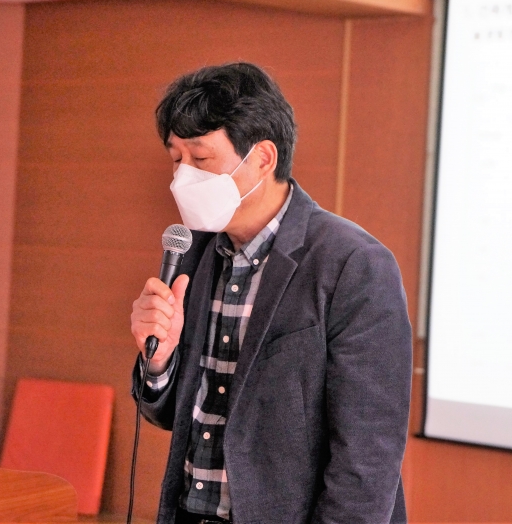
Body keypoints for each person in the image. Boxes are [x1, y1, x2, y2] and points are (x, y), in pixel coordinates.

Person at [130, 62, 412, 524]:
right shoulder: (193, 251)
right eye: (176, 159)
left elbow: (367, 458)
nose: (182, 177)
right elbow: (175, 415)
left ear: (262, 157)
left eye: (200, 159)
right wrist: (158, 361)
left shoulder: (353, 263)